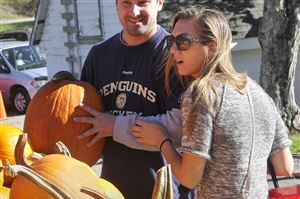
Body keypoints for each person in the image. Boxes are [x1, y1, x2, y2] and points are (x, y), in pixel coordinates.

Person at [130, 6, 294, 198]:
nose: (173, 50)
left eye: (183, 42)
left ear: (213, 46)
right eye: (171, 41)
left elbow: (188, 178)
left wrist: (161, 141)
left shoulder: (201, 94)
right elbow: (285, 166)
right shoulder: (258, 92)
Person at [74, 0, 196, 198]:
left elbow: (180, 126)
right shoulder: (98, 55)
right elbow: (83, 122)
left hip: (167, 191)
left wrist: (115, 126)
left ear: (159, 3)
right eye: (126, 3)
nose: (134, 11)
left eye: (142, 2)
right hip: (112, 190)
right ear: (116, 4)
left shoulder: (175, 55)